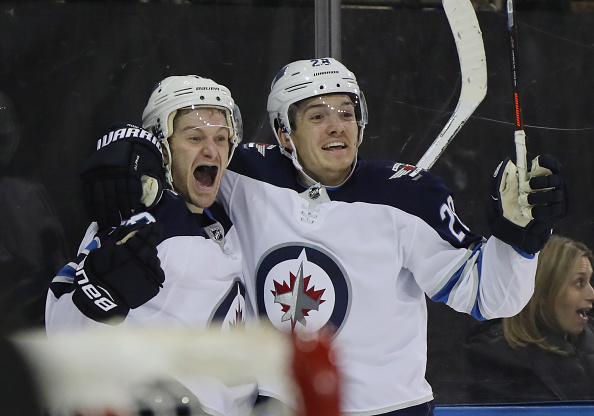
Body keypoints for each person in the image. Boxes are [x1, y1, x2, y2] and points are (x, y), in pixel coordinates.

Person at [80, 58, 568, 416]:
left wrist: (519, 241)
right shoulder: (243, 174)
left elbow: (490, 296)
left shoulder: (407, 195)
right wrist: (128, 147)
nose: (338, 126)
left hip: (389, 409)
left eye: (346, 112)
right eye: (317, 115)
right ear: (284, 134)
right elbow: (178, 144)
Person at [45, 77, 257, 416]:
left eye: (221, 138)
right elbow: (66, 325)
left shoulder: (225, 213)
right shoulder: (142, 218)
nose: (211, 151)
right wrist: (98, 298)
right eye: (194, 137)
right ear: (161, 149)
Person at [463, 235, 594, 403]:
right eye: (579, 283)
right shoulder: (498, 362)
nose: (591, 294)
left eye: (589, 281)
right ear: (541, 293)